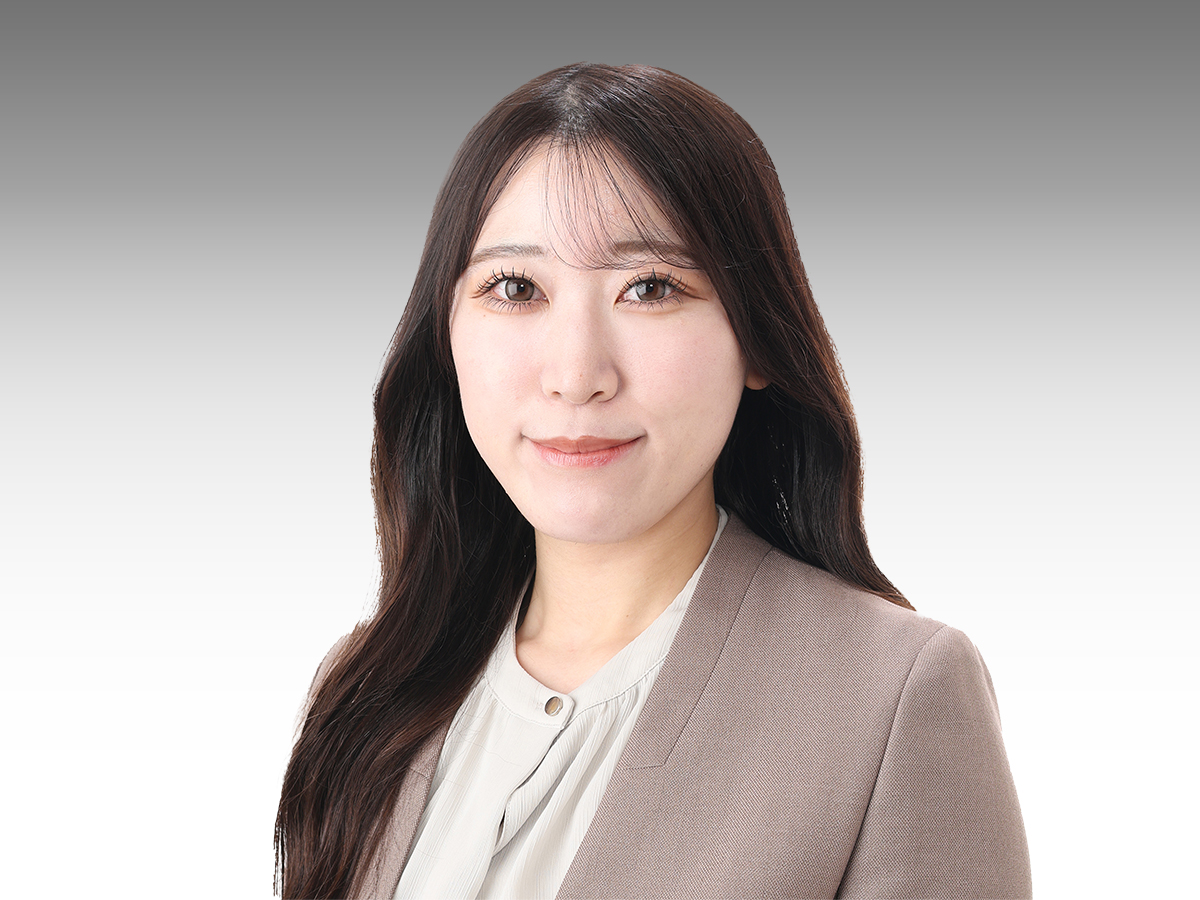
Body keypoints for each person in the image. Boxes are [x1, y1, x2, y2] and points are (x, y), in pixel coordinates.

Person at [275, 63, 1031, 899]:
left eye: (650, 287)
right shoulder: (371, 688)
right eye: (515, 288)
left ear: (757, 338)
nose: (576, 375)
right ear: (445, 334)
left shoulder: (893, 698)